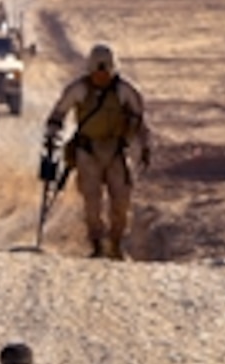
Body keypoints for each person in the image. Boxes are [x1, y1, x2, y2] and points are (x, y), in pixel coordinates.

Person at [44, 43, 152, 260]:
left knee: (121, 202)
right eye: (98, 70)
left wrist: (145, 147)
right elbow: (58, 114)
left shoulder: (125, 91)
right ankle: (97, 244)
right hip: (88, 151)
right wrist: (52, 137)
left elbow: (139, 121)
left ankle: (115, 243)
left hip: (115, 152)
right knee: (92, 202)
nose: (101, 75)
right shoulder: (79, 89)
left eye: (105, 70)